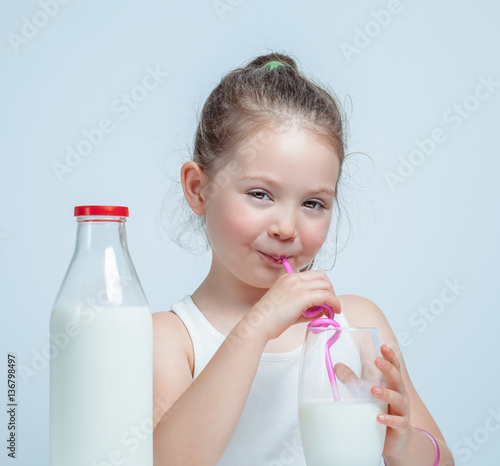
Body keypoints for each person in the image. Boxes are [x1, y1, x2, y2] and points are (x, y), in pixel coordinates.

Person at [152, 52, 454, 466]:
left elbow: (443, 460)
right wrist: (257, 326)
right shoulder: (173, 338)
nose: (286, 227)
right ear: (198, 188)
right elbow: (169, 460)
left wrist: (402, 444)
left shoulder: (355, 324)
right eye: (260, 194)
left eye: (313, 203)